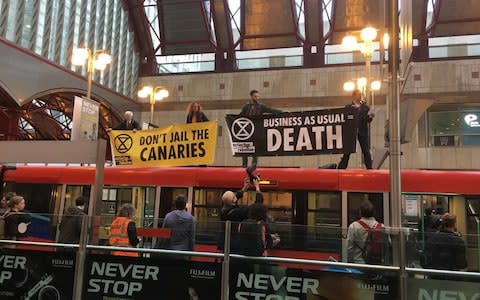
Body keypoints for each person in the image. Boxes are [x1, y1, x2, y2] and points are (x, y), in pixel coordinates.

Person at [239, 90, 282, 168]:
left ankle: (253, 165)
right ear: (251, 96)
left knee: (256, 148)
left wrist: (281, 112)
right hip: (247, 131)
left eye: (258, 96)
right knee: (245, 147)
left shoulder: (261, 106)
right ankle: (244, 165)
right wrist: (230, 118)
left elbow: (270, 110)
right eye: (255, 96)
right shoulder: (246, 106)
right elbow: (240, 116)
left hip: (256, 130)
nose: (257, 98)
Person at [338, 89, 374, 169]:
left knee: (366, 151)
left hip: (362, 132)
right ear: (354, 96)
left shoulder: (365, 107)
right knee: (347, 152)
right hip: (351, 132)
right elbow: (344, 119)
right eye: (358, 94)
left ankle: (370, 168)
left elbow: (367, 120)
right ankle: (342, 168)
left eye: (360, 94)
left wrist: (370, 117)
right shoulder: (348, 107)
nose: (360, 96)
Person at [346, 199, 384, 264]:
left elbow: (349, 248)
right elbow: (387, 246)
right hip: (377, 264)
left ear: (360, 212)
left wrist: (349, 263)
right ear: (374, 212)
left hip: (359, 263)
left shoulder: (354, 226)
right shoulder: (382, 227)